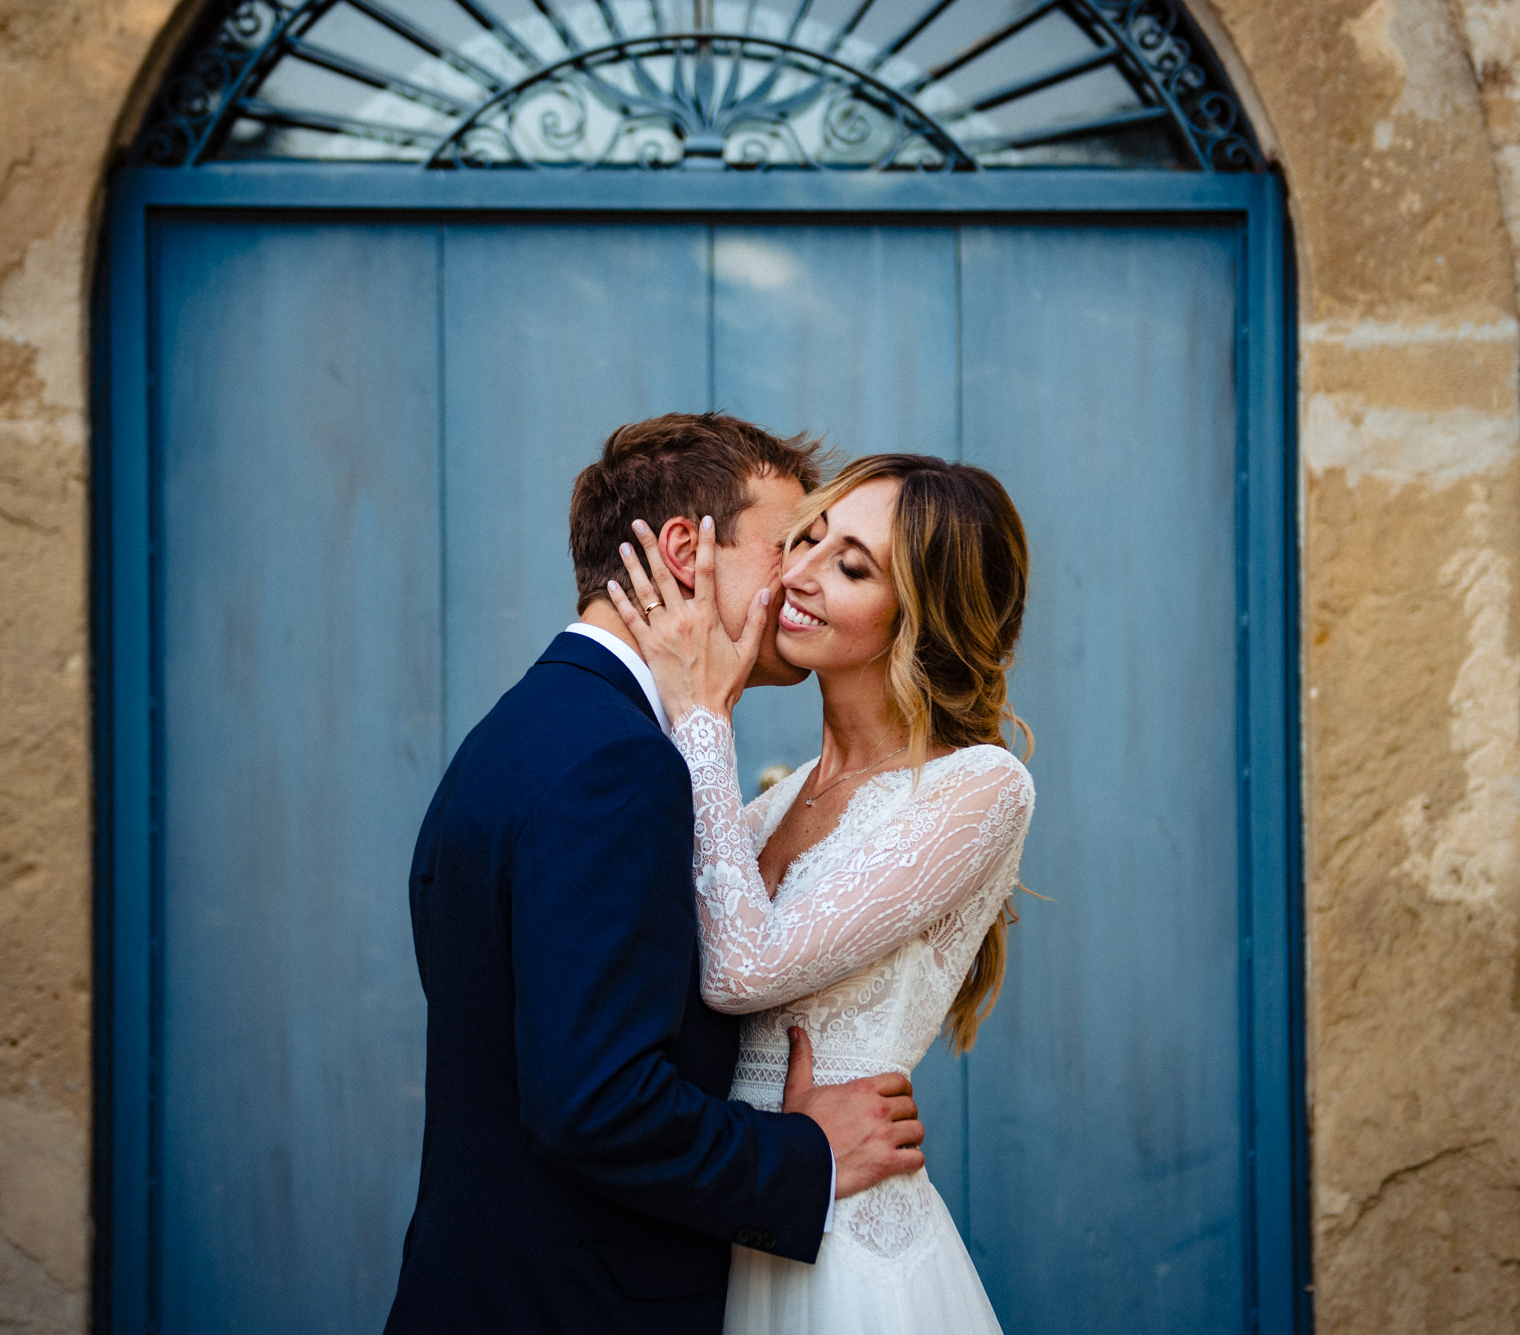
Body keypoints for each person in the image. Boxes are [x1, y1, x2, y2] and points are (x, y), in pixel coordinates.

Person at [384, 415, 928, 1335]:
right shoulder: (619, 764)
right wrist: (805, 1154)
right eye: (787, 545)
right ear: (687, 549)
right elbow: (596, 1102)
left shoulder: (524, 727)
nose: (800, 577)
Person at [607, 452, 1035, 1334]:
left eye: (851, 566)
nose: (797, 575)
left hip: (851, 1261)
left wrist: (703, 710)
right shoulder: (768, 803)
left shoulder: (979, 788)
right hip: (741, 1216)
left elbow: (739, 969)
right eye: (805, 541)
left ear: (922, 612)